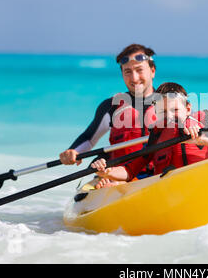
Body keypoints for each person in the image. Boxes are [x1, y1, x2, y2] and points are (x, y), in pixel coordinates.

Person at [91, 82, 208, 189]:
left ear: (188, 108)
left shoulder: (204, 126)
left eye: (175, 110)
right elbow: (130, 171)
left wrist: (202, 140)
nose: (169, 117)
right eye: (163, 112)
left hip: (201, 185)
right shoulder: (156, 137)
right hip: (169, 192)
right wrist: (107, 171)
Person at [59, 44, 158, 178]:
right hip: (116, 177)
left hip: (157, 177)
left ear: (152, 71)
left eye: (139, 70)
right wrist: (72, 152)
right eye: (127, 72)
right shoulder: (111, 107)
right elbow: (88, 139)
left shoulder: (173, 104)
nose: (134, 78)